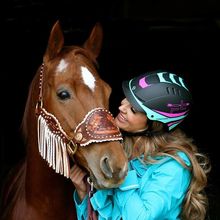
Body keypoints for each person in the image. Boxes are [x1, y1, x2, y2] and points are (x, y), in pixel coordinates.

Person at [70, 70, 211, 220]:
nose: (121, 108)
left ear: (154, 124)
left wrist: (123, 173)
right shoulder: (119, 148)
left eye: (133, 109)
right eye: (126, 99)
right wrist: (83, 194)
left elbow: (139, 217)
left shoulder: (174, 166)